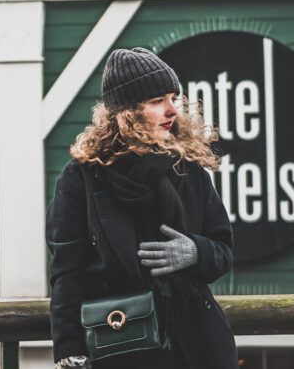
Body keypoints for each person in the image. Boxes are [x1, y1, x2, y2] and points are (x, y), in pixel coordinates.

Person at [47, 48, 237, 369]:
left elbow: (223, 251)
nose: (172, 110)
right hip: (123, 342)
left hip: (197, 345)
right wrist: (68, 346)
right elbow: (67, 270)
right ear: (126, 112)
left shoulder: (188, 168)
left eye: (174, 98)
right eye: (156, 101)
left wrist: (195, 252)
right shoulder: (82, 176)